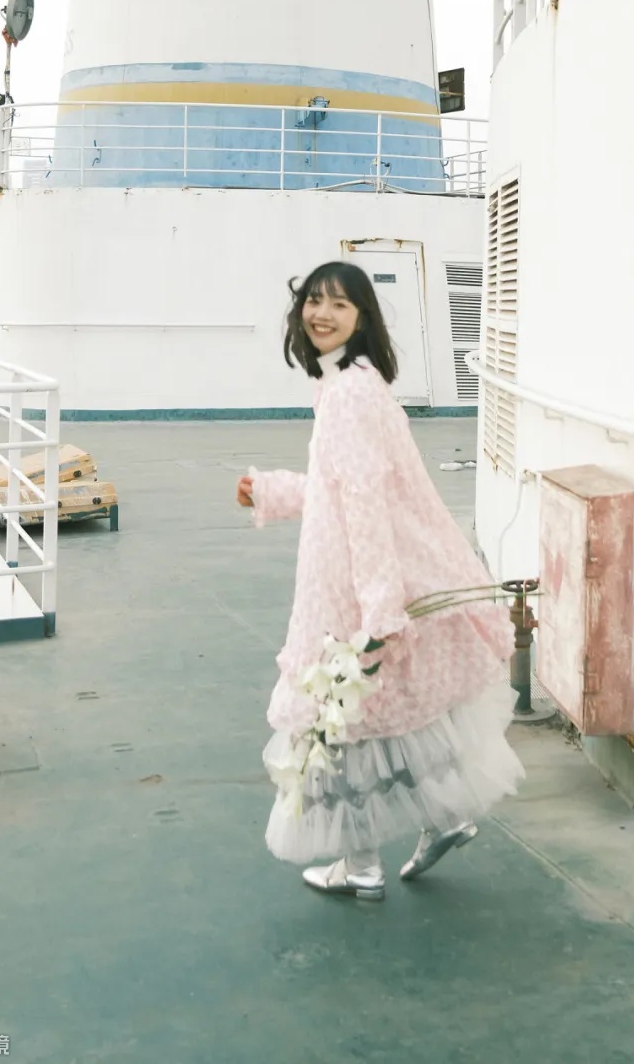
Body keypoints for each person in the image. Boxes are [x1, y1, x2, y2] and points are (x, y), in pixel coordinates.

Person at [237, 260, 524, 901]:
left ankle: (360, 864)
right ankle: (445, 818)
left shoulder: (349, 395)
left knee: (341, 718)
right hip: (351, 573)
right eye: (315, 301)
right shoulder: (353, 384)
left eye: (340, 305)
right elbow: (340, 488)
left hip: (347, 583)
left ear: (362, 318)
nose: (322, 314)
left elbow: (365, 501)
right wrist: (271, 491)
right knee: (384, 714)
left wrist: (377, 610)